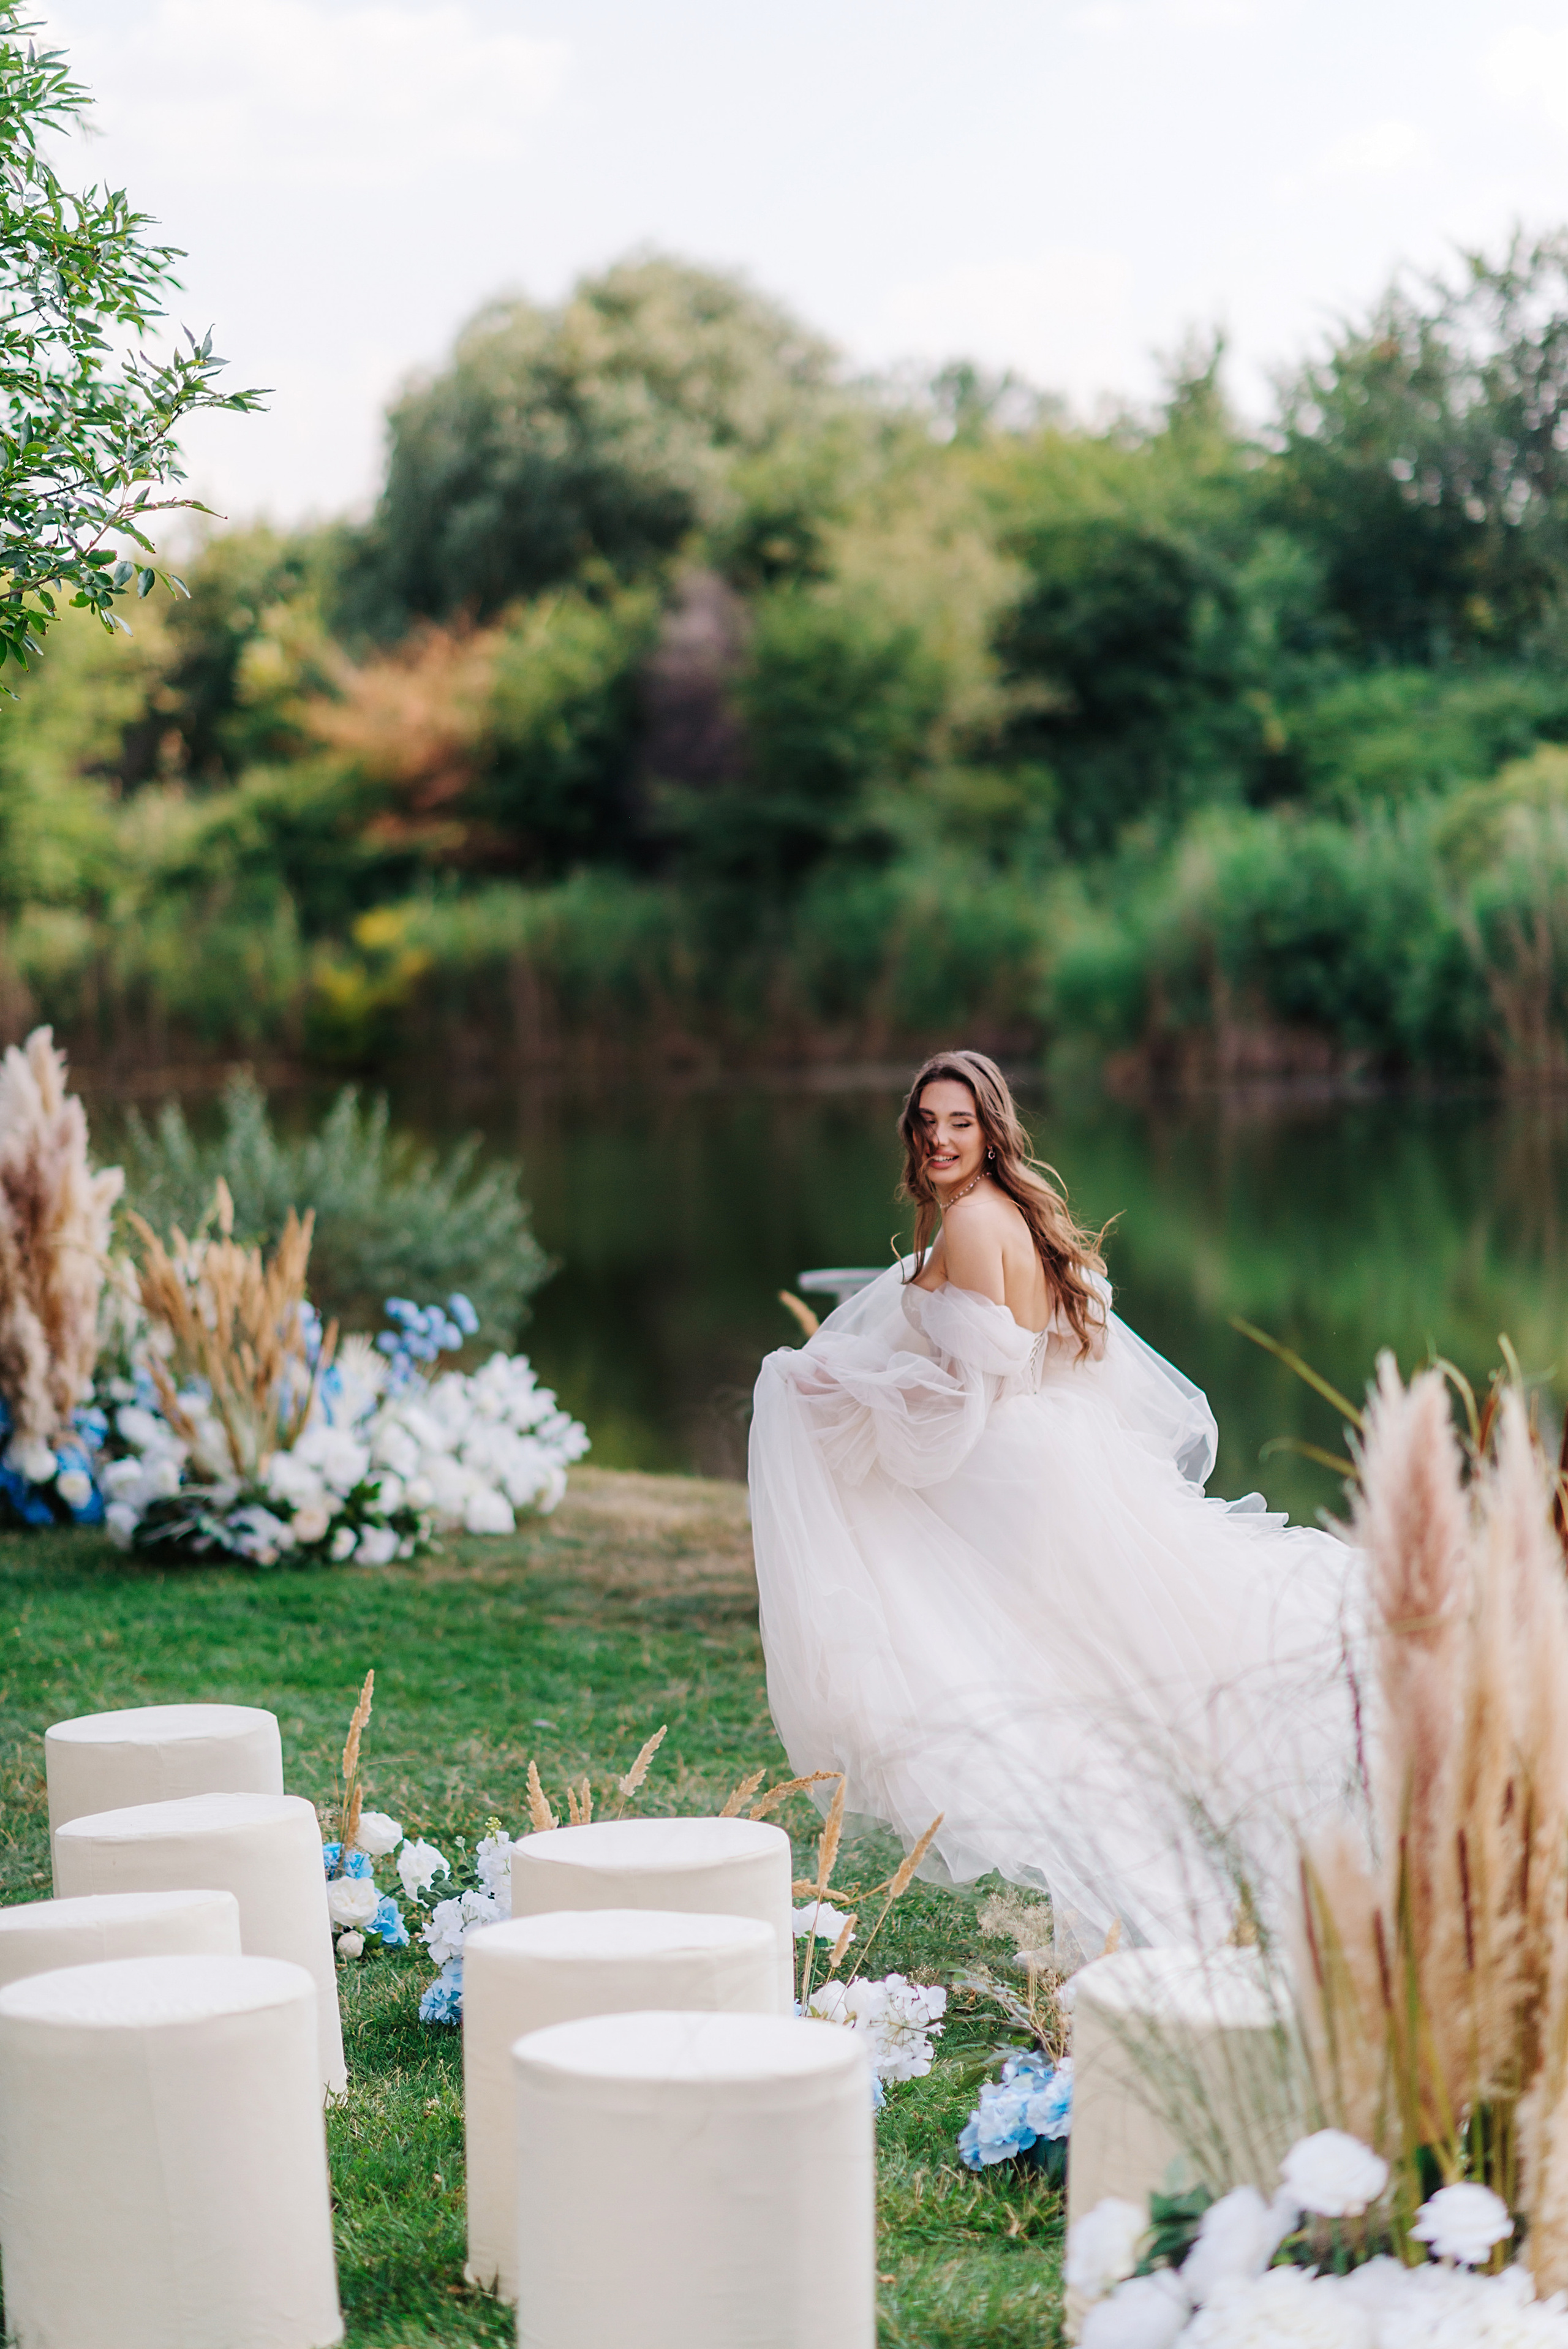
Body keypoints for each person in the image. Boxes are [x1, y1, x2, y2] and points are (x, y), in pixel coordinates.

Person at [748, 1049, 1360, 1953]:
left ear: (991, 1130)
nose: (940, 1139)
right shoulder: (1010, 1212)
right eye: (928, 1123)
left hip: (1004, 1466)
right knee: (1077, 1683)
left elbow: (959, 1405)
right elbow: (1034, 1356)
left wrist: (847, 1393)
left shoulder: (969, 1225)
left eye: (960, 1123)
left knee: (1027, 1686)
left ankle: (1150, 1906)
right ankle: (1153, 1909)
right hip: (1046, 1451)